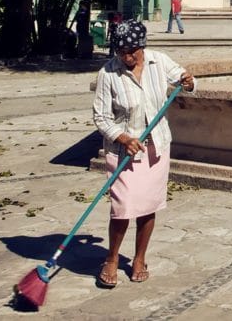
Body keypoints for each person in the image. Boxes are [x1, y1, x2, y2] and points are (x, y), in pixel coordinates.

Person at [92, 21, 195, 288]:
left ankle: (139, 258)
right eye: (120, 51)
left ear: (142, 47)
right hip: (122, 151)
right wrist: (124, 138)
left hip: (156, 147)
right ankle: (112, 259)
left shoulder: (158, 62)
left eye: (131, 51)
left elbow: (184, 79)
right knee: (123, 208)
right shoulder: (108, 73)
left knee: (148, 208)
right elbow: (101, 117)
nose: (126, 57)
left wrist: (188, 81)